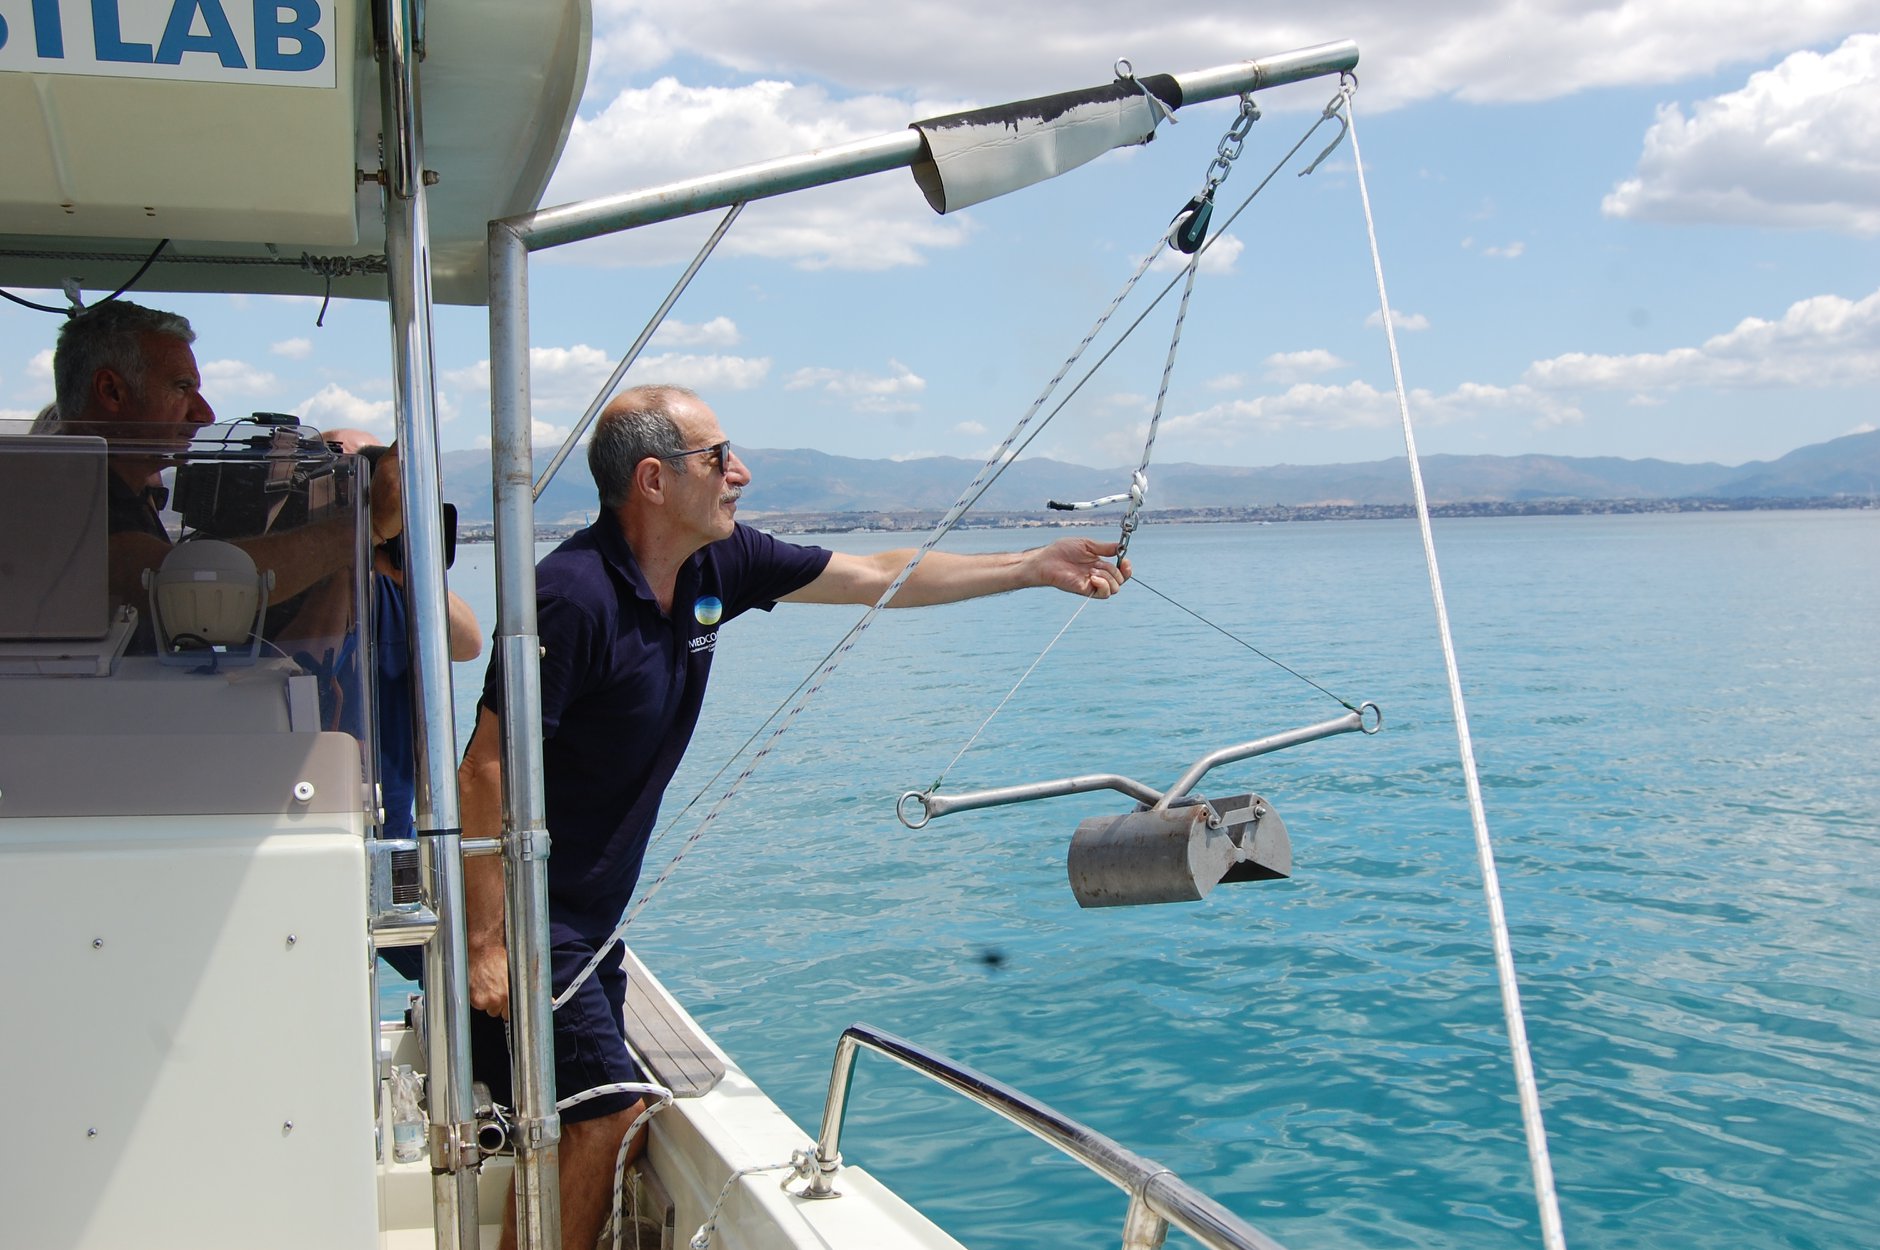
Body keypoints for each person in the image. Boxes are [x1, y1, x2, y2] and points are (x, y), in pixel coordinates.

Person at [458, 383, 1131, 1250]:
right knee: (602, 1116)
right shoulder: (573, 596)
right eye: (717, 457)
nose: (739, 472)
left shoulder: (716, 565)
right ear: (655, 481)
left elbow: (877, 575)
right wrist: (486, 940)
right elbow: (487, 765)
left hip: (589, 919)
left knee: (591, 1122)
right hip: (529, 914)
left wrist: (1033, 566)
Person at [48, 301, 356, 648]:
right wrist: (361, 528)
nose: (205, 414)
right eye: (182, 387)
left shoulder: (101, 490)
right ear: (112, 391)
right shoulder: (61, 496)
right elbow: (203, 594)